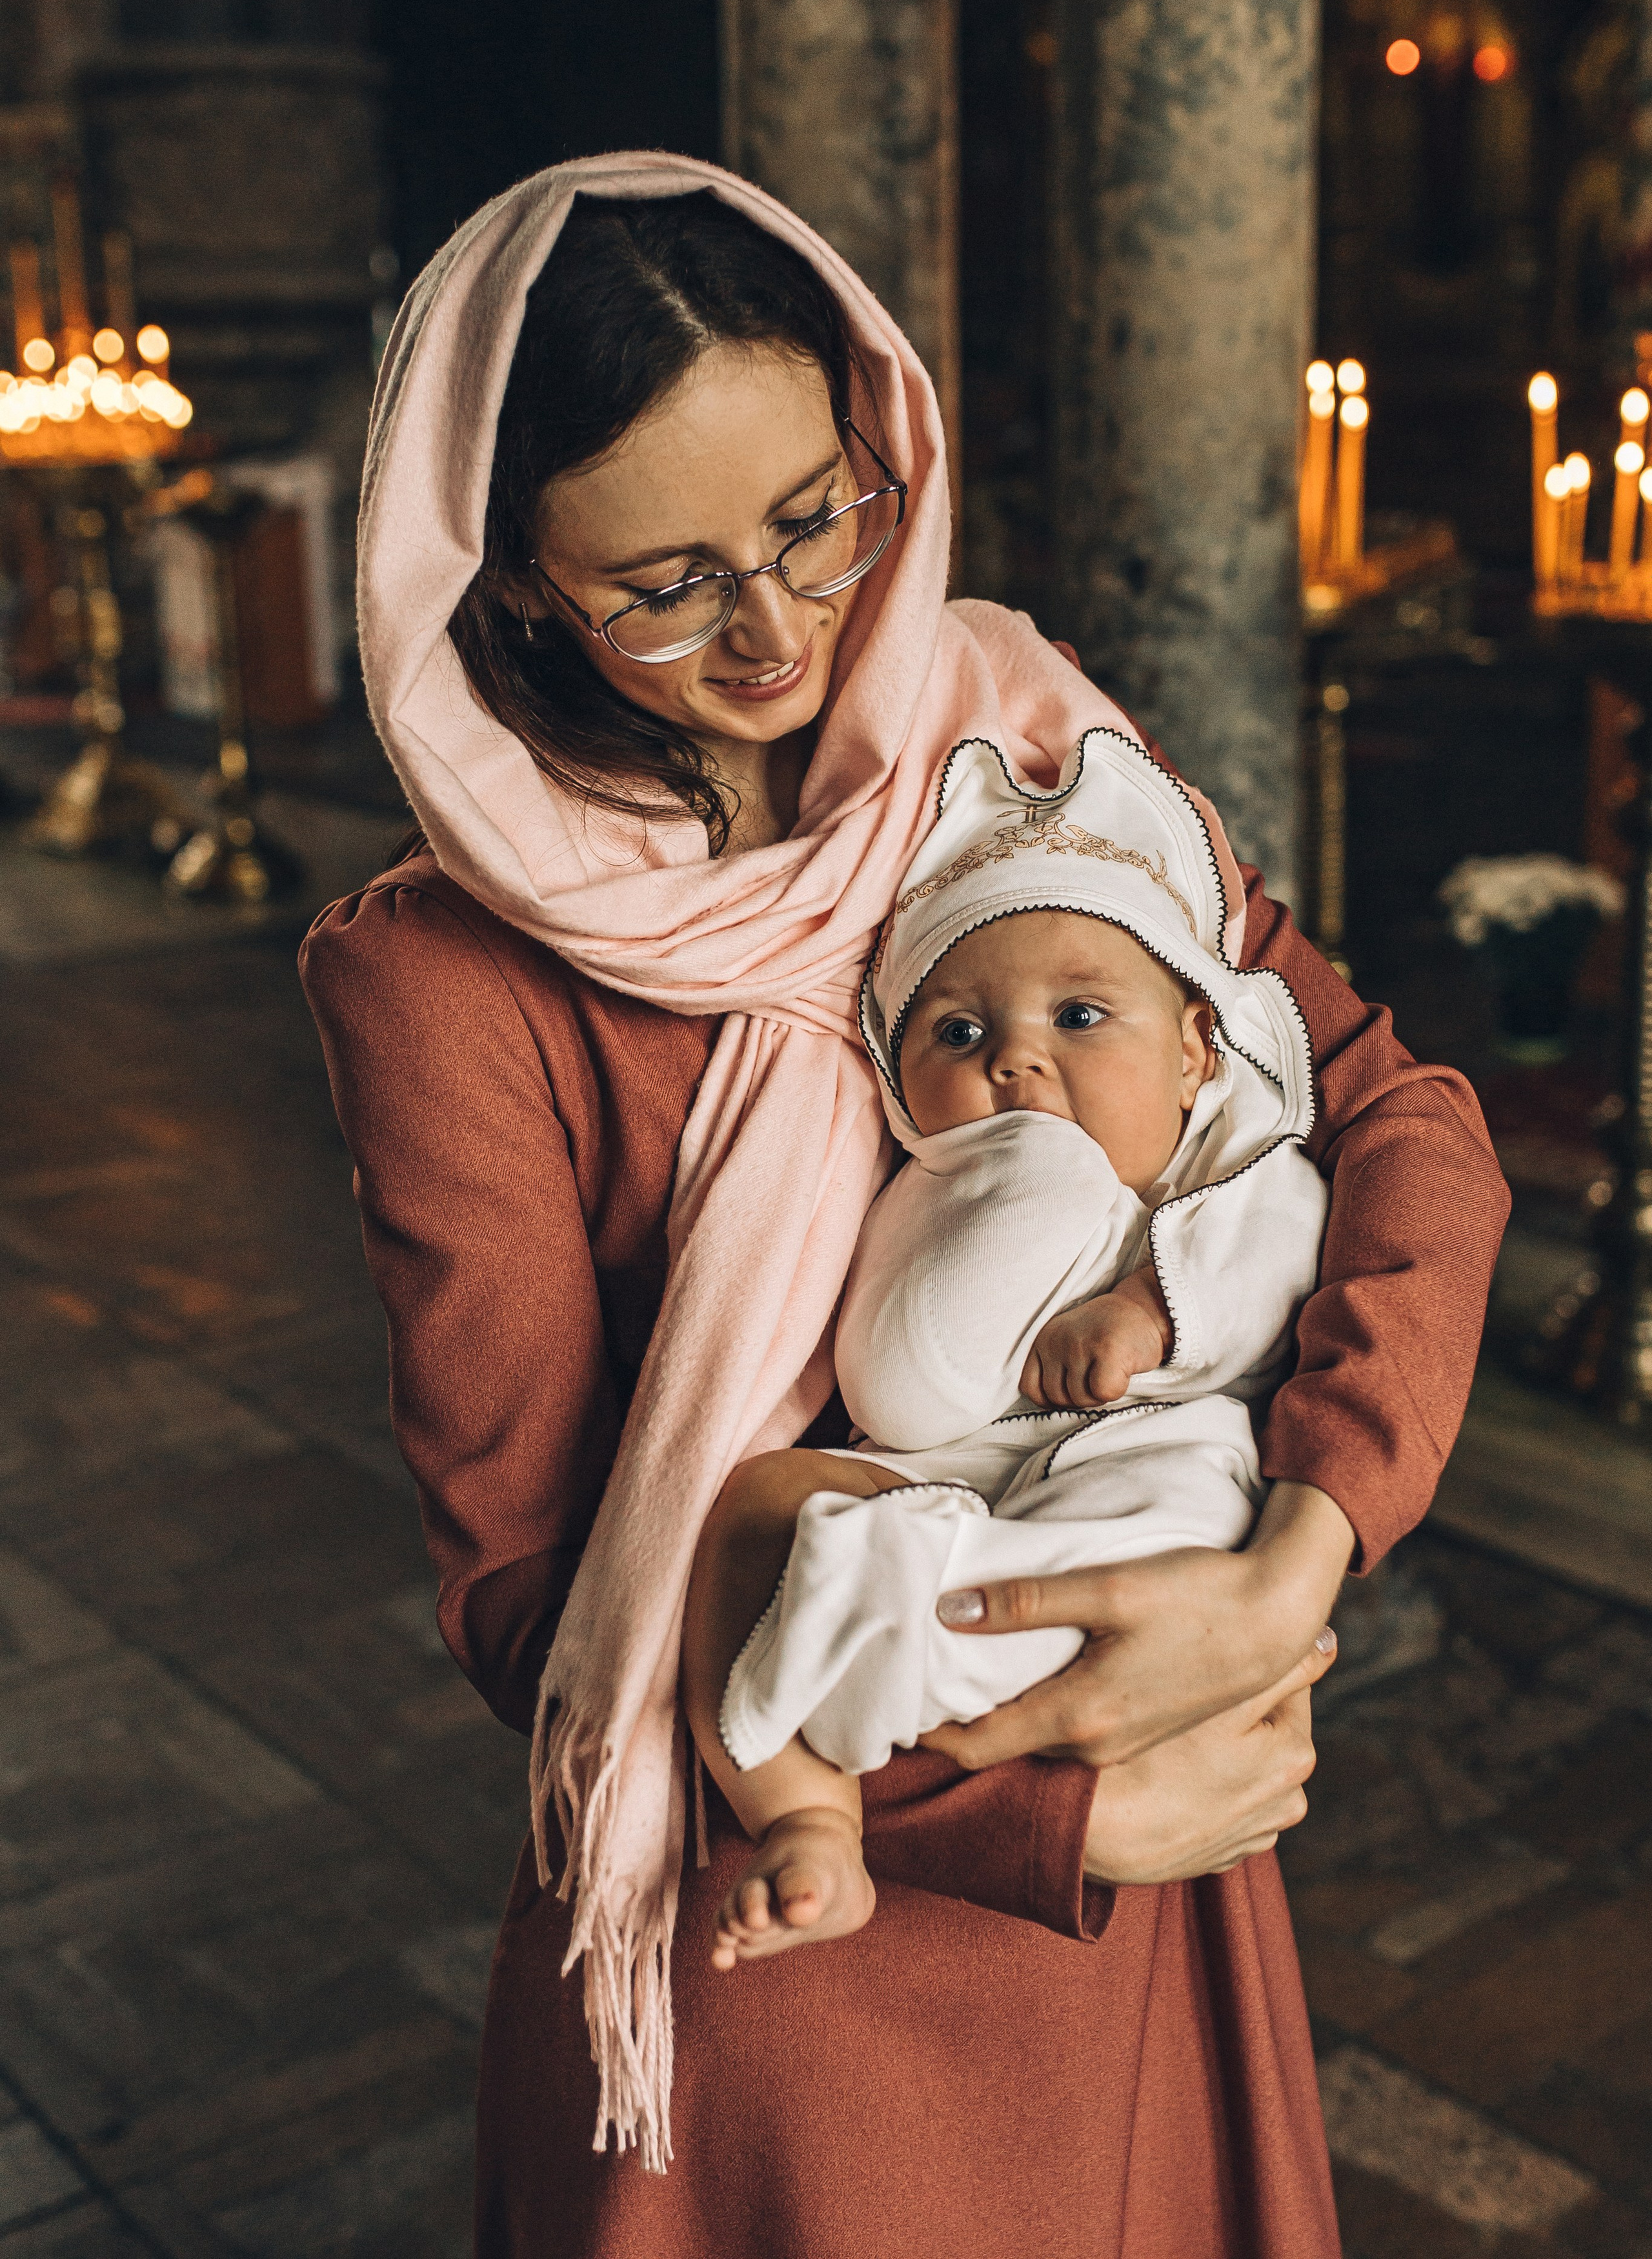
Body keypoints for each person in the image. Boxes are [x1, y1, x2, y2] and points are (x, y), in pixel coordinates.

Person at [299, 152, 1509, 2259]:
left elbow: (1398, 1117)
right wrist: (1040, 1797)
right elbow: (532, 1588)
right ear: (503, 589)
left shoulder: (1025, 749)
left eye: (811, 520)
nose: (778, 628)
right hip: (797, 1920)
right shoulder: (442, 972)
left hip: (1146, 1843)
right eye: (662, 585)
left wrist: (1301, 1551)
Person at [689, 726, 1331, 1969]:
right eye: (959, 1036)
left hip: (1154, 1443)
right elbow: (901, 1386)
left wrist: (1151, 1305)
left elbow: (1287, 1257)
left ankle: (957, 1645)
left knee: (1174, 1518)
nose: (1018, 1057)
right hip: (953, 1469)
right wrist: (1008, 1193)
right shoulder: (924, 1187)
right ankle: (807, 1815)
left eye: (1082, 1016)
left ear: (1198, 1048)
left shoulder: (1232, 1167)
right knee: (760, 1503)